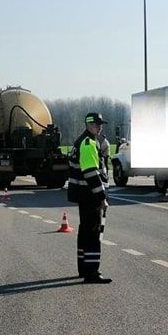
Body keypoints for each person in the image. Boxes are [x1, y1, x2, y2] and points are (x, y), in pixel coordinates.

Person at [66, 112, 111, 284]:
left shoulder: (83, 141)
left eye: (101, 124)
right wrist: (102, 197)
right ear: (89, 125)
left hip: (84, 194)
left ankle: (83, 268)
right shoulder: (88, 143)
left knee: (85, 231)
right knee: (93, 233)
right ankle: (92, 272)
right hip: (89, 195)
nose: (100, 127)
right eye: (97, 124)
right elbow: (91, 173)